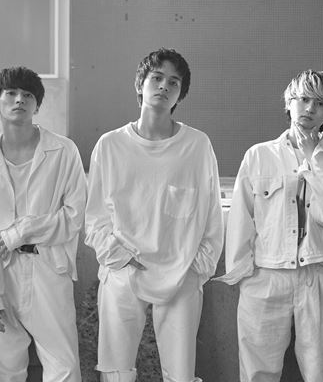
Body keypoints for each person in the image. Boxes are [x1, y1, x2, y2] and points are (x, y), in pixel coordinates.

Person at [85, 47, 224, 382]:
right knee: (116, 371)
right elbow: (95, 219)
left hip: (182, 273)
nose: (164, 86)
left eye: (173, 82)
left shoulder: (197, 145)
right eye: (157, 78)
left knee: (181, 373)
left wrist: (197, 268)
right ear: (140, 84)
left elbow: (212, 215)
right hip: (124, 270)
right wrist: (118, 257)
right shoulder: (110, 145)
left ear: (181, 94)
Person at [216, 70, 323, 382]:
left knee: (321, 373)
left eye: (320, 104)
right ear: (289, 102)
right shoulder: (259, 155)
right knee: (257, 373)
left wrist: (315, 160)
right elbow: (241, 218)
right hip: (266, 275)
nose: (310, 108)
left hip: (320, 275)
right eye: (304, 99)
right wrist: (245, 277)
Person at [0, 66, 86, 381]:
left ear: (37, 105)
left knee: (64, 367)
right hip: (1, 276)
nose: (19, 99)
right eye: (11, 93)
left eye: (28, 94)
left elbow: (74, 217)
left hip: (49, 270)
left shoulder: (63, 151)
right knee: (5, 371)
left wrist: (20, 232)